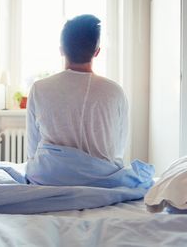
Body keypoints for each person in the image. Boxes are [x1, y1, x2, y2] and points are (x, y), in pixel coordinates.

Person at [25, 14, 129, 185]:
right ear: (97, 52)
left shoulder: (39, 88)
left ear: (61, 50)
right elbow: (118, 149)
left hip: (50, 177)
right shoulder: (115, 91)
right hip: (100, 180)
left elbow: (32, 149)